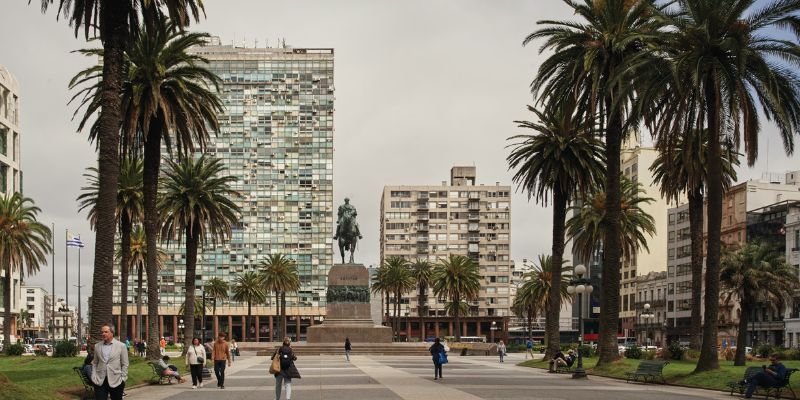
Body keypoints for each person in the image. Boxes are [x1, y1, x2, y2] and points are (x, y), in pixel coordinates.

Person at [91, 324, 129, 400]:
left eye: (106, 332)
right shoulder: (97, 346)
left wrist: (123, 378)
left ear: (112, 333)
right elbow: (95, 363)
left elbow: (125, 363)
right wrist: (93, 376)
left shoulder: (121, 346)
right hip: (100, 380)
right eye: (102, 332)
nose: (103, 334)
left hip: (116, 380)